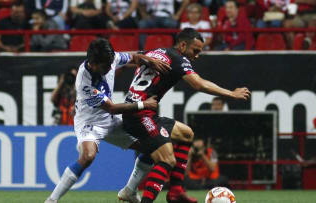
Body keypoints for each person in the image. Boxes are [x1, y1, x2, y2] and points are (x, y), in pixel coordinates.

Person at [119, 28, 250, 203]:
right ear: (182, 45)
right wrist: (231, 94)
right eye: (195, 50)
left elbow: (128, 59)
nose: (197, 55)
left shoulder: (155, 52)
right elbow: (199, 84)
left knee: (186, 134)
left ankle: (175, 192)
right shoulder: (177, 58)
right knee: (167, 159)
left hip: (143, 113)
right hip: (139, 115)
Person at [44, 38, 171, 203]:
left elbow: (134, 57)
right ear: (93, 63)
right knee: (88, 156)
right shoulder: (84, 81)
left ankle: (130, 191)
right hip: (89, 123)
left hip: (110, 121)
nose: (111, 67)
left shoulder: (110, 59)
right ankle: (51, 200)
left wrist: (150, 60)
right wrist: (143, 104)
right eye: (106, 65)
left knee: (151, 147)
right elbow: (112, 107)